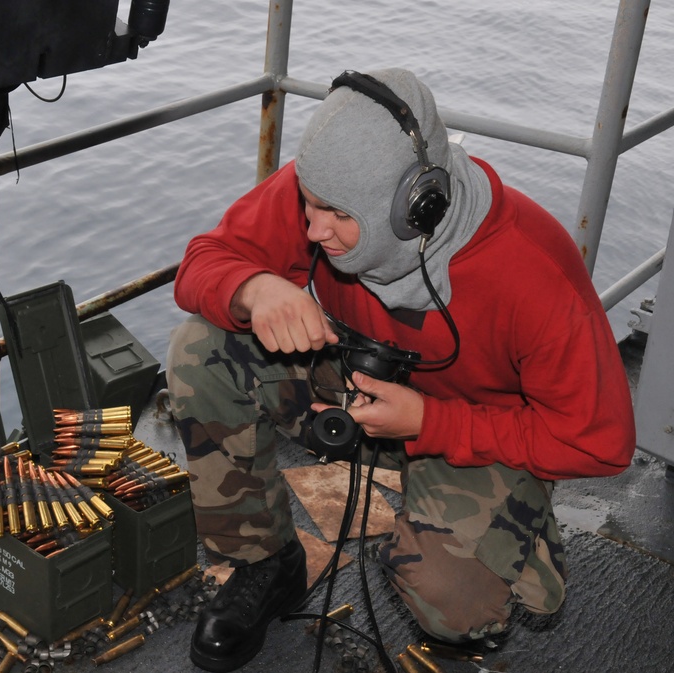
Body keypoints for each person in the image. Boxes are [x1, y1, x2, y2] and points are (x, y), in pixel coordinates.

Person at [166, 67, 636, 673]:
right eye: (308, 206)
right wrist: (254, 287)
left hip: (468, 426)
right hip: (350, 382)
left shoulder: (534, 272)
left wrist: (430, 423)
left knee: (453, 601)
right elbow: (203, 262)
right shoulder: (323, 188)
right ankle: (265, 563)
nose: (312, 229)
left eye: (335, 215)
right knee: (201, 349)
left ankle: (508, 543)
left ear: (416, 203)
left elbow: (600, 444)